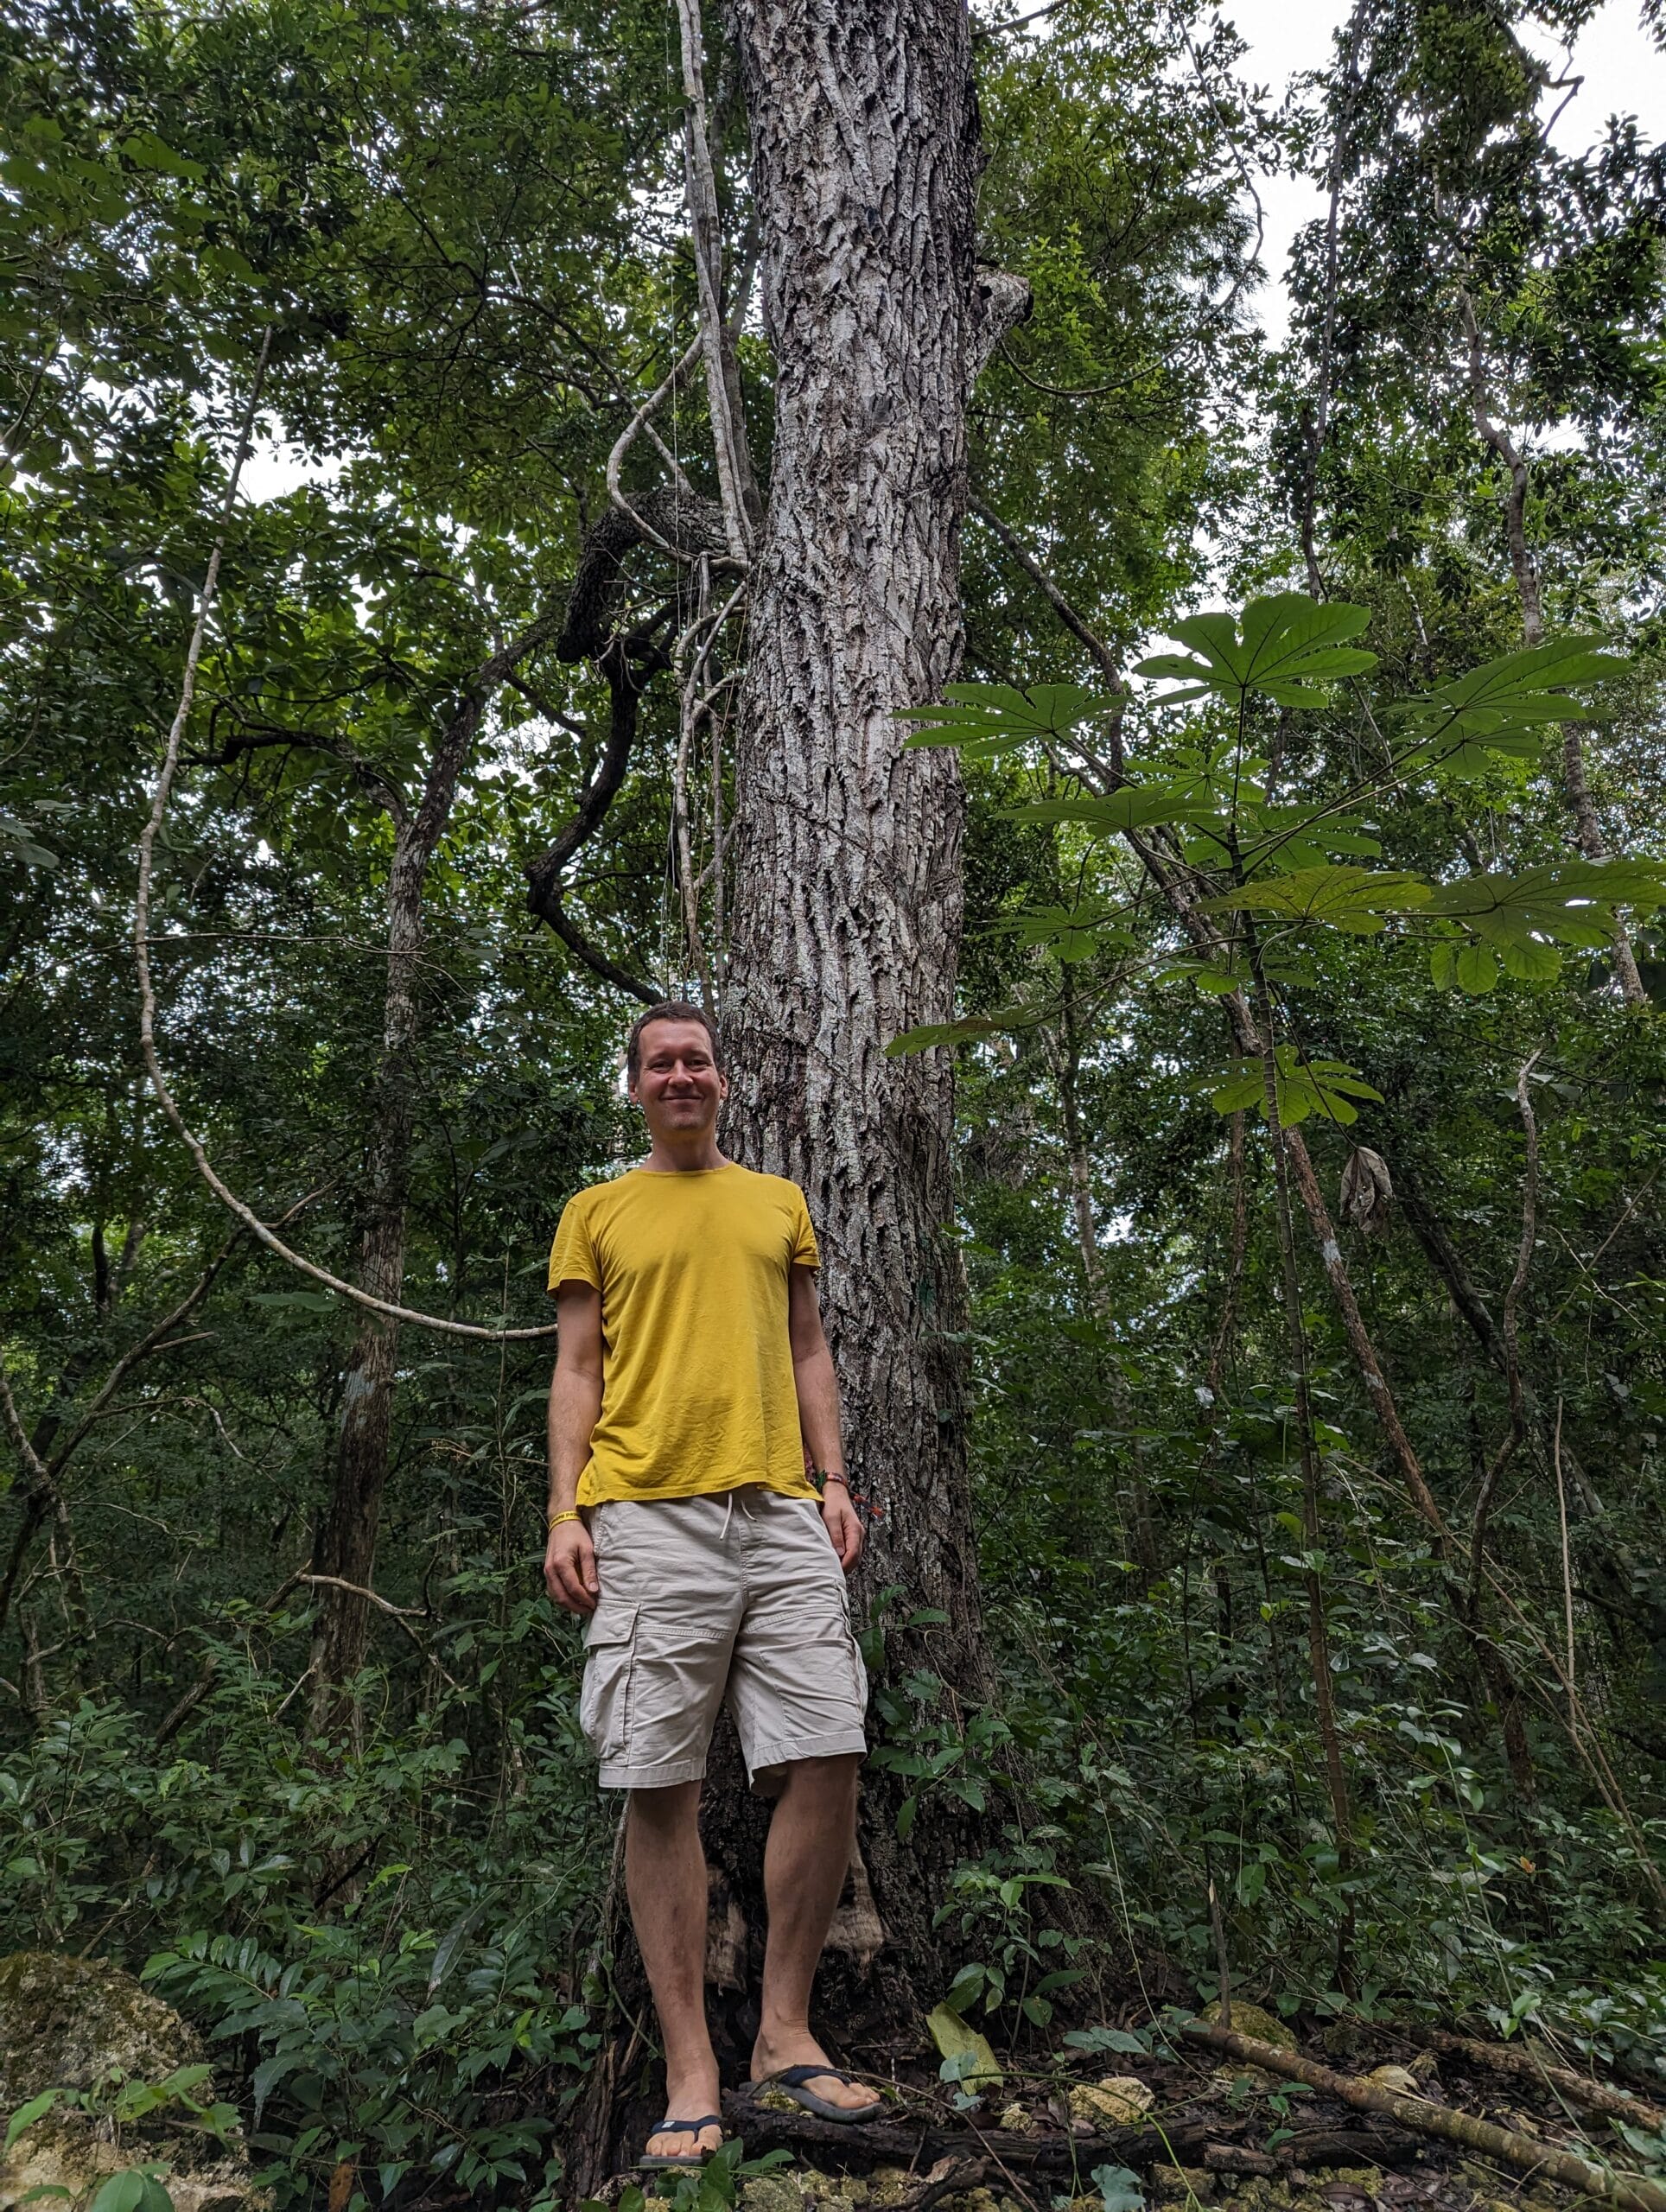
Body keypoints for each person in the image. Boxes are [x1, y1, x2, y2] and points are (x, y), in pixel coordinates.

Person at [544, 1001, 883, 2170]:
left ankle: (785, 2032)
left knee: (829, 1746)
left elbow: (806, 1347)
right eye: (659, 1063)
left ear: (723, 1081)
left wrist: (832, 1480)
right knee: (658, 1777)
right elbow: (576, 1367)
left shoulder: (776, 1202)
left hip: (781, 1511)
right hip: (645, 1518)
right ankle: (692, 2063)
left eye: (696, 1059)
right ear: (634, 1086)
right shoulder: (598, 1211)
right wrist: (565, 1509)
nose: (680, 1075)